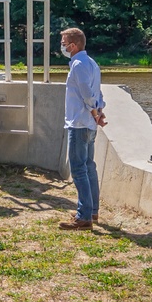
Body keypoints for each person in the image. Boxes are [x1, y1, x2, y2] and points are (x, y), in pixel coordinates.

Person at [59, 27, 106, 231]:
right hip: (88, 123)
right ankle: (92, 210)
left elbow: (87, 93)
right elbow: (97, 92)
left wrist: (95, 112)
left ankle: (84, 216)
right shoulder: (91, 63)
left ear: (73, 45)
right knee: (88, 166)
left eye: (63, 42)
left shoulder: (78, 64)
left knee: (79, 169)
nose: (61, 46)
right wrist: (99, 110)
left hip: (79, 123)